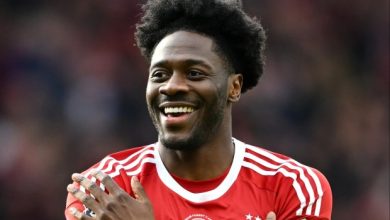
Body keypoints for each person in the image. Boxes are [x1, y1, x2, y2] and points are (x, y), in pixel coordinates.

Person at [65, 0, 333, 219]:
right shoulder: (105, 187)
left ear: (234, 87)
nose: (171, 86)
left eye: (194, 73)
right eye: (159, 74)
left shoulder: (292, 187)